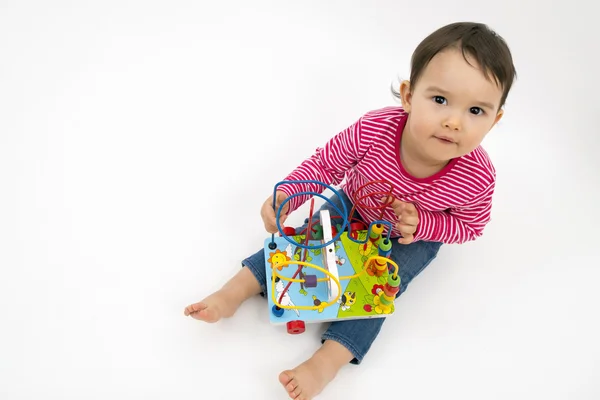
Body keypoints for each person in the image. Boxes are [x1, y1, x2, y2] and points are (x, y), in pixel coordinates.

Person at [184, 21, 517, 400]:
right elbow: (326, 164)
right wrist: (289, 195)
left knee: (379, 292)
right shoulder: (376, 128)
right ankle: (234, 291)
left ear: (495, 120)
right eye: (439, 100)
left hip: (411, 240)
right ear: (408, 96)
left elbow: (470, 226)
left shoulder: (477, 175)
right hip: (353, 204)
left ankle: (328, 360)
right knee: (299, 242)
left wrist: (424, 223)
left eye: (476, 110)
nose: (453, 121)